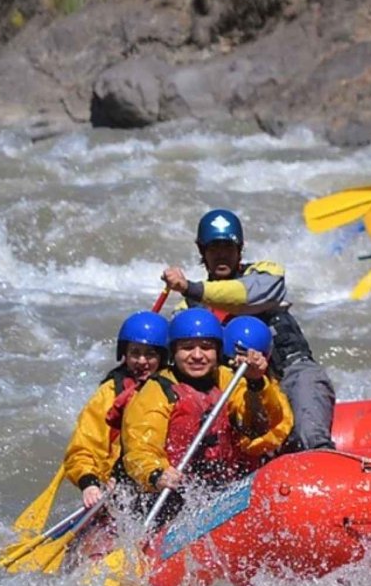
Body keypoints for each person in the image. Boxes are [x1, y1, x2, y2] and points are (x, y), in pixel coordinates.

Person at [161, 208, 336, 452]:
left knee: (310, 435)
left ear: (240, 249)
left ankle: (321, 456)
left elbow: (244, 295)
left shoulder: (266, 274)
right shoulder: (187, 310)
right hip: (240, 389)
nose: (222, 255)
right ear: (202, 251)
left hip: (290, 373)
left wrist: (190, 287)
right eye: (214, 248)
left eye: (228, 248)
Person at [120, 311, 292, 524]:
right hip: (175, 495)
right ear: (173, 352)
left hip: (228, 489)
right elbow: (140, 448)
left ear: (218, 351)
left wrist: (256, 384)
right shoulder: (157, 391)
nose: (198, 355)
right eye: (187, 348)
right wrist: (156, 474)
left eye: (206, 347)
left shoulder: (229, 379)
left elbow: (259, 426)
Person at [63, 311, 170, 509]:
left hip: (167, 477)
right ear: (125, 355)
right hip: (123, 484)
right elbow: (84, 447)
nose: (142, 361)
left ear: (163, 356)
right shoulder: (109, 393)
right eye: (135, 353)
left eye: (150, 354)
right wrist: (89, 483)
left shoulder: (175, 387)